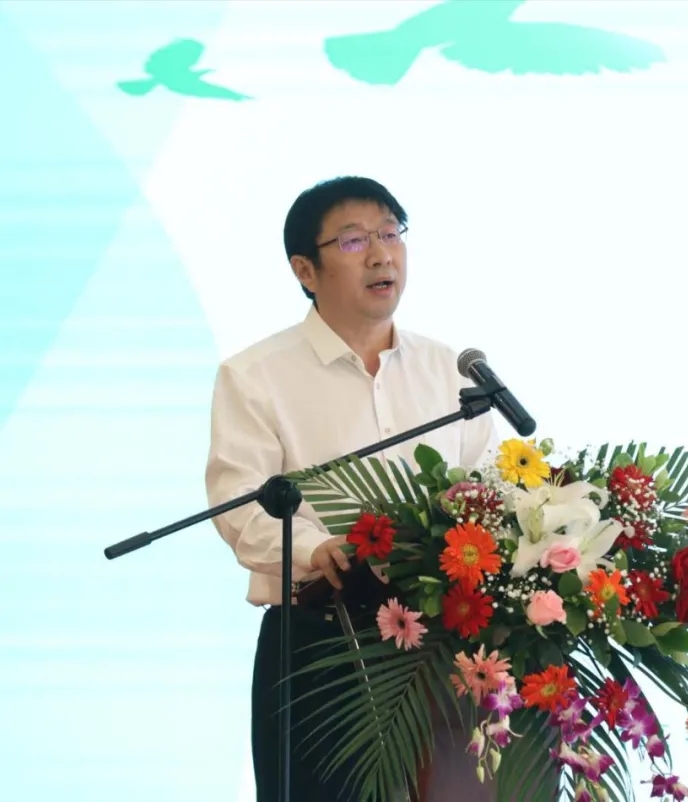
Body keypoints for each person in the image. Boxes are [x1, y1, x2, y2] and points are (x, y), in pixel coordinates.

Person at [204, 176, 502, 802]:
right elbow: (242, 507)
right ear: (304, 269)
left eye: (391, 234)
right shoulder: (256, 376)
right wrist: (316, 549)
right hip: (321, 647)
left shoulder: (449, 370)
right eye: (353, 241)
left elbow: (490, 490)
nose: (380, 254)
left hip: (444, 645)